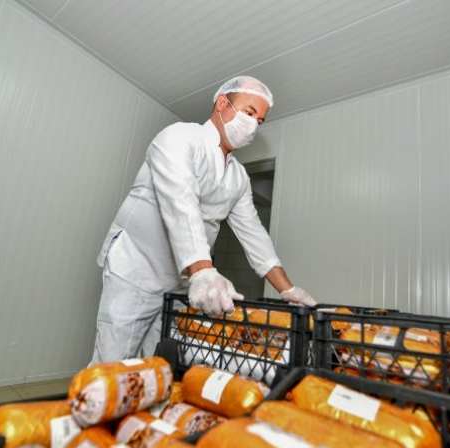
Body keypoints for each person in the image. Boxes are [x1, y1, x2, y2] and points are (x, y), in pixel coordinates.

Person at [90, 76, 316, 365]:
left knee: (164, 365)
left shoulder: (238, 177)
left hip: (179, 284)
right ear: (222, 103)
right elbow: (180, 203)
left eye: (259, 121)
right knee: (113, 365)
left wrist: (287, 289)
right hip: (135, 269)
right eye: (248, 113)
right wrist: (204, 273)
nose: (252, 126)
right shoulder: (180, 137)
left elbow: (253, 233)